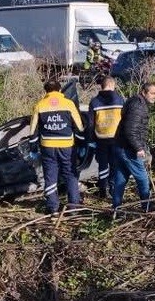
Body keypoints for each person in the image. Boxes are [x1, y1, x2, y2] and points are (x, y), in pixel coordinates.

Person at [29, 80, 85, 214]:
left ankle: (53, 207)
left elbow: (33, 131)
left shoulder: (39, 105)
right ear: (60, 90)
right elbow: (79, 127)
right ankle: (73, 208)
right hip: (67, 147)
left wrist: (33, 149)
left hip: (47, 147)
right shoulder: (68, 104)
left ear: (46, 91)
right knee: (70, 175)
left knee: (50, 176)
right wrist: (82, 144)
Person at [111, 82, 155, 212]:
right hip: (128, 149)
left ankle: (117, 209)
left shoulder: (135, 102)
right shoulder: (138, 106)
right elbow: (130, 130)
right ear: (144, 92)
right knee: (142, 178)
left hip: (120, 145)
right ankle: (147, 206)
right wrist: (139, 148)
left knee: (120, 178)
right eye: (152, 93)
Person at [88, 76, 125, 199]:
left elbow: (90, 124)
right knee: (115, 164)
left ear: (102, 86)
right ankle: (113, 188)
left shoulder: (94, 102)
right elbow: (125, 120)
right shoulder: (120, 100)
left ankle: (103, 189)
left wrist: (91, 139)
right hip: (116, 138)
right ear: (111, 85)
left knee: (102, 165)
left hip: (100, 138)